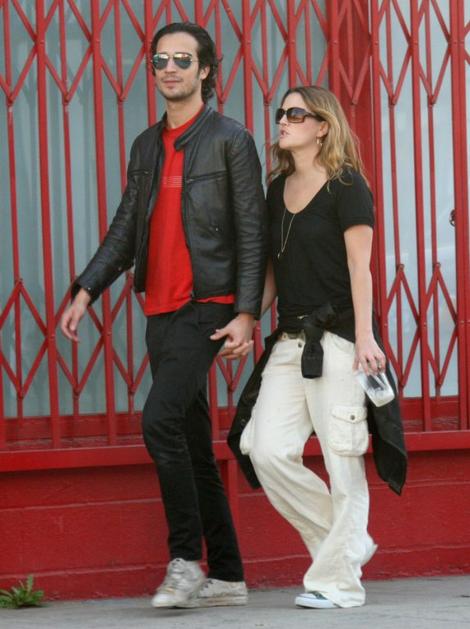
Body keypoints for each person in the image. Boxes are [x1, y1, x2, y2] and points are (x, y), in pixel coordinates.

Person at [60, 22, 267, 609]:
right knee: (192, 444)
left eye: (182, 59)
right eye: (160, 60)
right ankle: (227, 575)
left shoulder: (231, 140)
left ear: (206, 70)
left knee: (158, 421)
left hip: (208, 306)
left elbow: (252, 233)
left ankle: (184, 561)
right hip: (161, 309)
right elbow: (127, 226)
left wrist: (247, 313)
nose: (169, 69)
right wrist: (87, 289)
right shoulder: (146, 145)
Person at [228, 85, 407, 609]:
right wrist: (246, 321)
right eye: (281, 113)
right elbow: (272, 272)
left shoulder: (347, 185)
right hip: (290, 341)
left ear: (322, 126)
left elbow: (360, 267)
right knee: (264, 448)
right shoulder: (277, 187)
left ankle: (340, 584)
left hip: (339, 340)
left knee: (342, 459)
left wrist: (366, 338)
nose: (283, 121)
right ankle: (349, 545)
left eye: (295, 113)